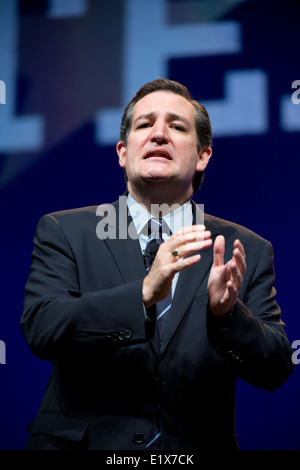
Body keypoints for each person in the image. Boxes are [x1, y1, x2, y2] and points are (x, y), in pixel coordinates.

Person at [21, 79, 293, 450]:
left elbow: (276, 368)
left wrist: (227, 316)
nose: (159, 134)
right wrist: (144, 293)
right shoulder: (65, 230)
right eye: (145, 124)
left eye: (177, 127)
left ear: (202, 156)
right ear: (122, 151)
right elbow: (42, 328)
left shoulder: (244, 250)